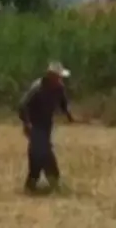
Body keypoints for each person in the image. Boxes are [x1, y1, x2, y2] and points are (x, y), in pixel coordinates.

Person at [18, 61, 75, 193]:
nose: (61, 80)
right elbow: (22, 106)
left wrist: (69, 115)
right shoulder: (37, 89)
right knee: (43, 153)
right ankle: (52, 182)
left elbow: (63, 102)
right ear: (51, 76)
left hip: (46, 125)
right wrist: (27, 123)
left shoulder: (59, 88)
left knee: (38, 154)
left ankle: (32, 185)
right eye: (59, 77)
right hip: (35, 126)